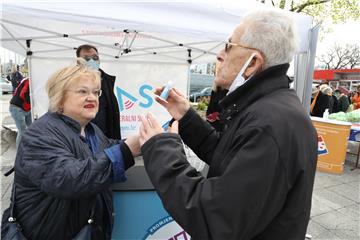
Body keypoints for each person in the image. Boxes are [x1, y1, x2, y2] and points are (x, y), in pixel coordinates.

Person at [138, 10, 318, 239]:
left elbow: (214, 219)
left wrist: (161, 148)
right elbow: (228, 157)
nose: (219, 55)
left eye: (228, 46)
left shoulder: (270, 124)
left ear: (253, 63)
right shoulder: (267, 109)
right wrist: (186, 116)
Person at [1, 59, 140, 240]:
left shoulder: (90, 129)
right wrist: (126, 151)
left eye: (95, 92)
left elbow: (107, 146)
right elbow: (69, 179)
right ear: (60, 96)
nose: (92, 97)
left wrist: (143, 140)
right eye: (83, 91)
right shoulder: (40, 134)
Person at [76, 44, 121, 139]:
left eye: (95, 58)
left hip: (105, 138)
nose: (92, 61)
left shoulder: (106, 81)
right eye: (87, 59)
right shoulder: (71, 82)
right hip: (81, 137)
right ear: (79, 62)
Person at [9, 77, 32, 147]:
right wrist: (33, 101)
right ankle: (20, 152)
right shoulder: (29, 81)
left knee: (32, 128)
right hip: (17, 108)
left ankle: (31, 148)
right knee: (22, 130)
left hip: (26, 108)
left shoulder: (29, 81)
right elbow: (23, 94)